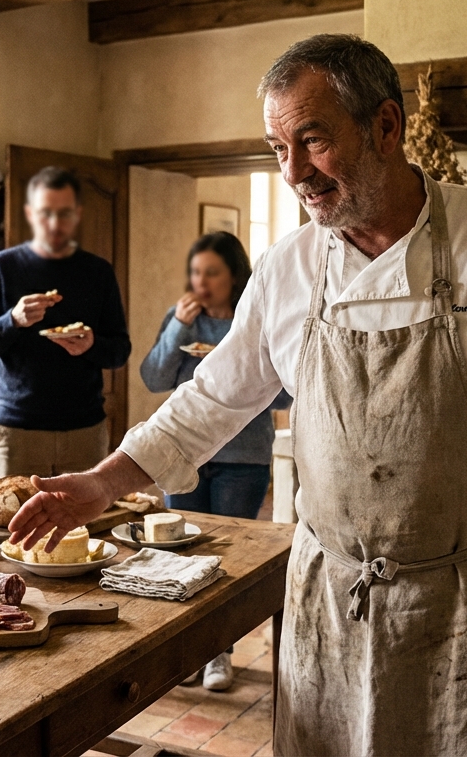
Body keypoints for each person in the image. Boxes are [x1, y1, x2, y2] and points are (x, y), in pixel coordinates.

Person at [7, 34, 467, 756]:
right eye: (279, 148)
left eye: (312, 140)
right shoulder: (288, 268)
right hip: (329, 604)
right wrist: (102, 483)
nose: (295, 172)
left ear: (385, 127)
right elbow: (210, 400)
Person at [139, 231, 292, 691]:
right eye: (195, 272)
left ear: (234, 276)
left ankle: (220, 654)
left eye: (211, 273)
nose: (200, 283)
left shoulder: (255, 318)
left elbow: (283, 391)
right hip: (184, 458)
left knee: (225, 559)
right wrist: (177, 329)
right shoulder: (182, 319)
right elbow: (153, 378)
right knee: (180, 555)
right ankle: (187, 650)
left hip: (242, 459)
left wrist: (239, 381)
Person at [0, 166, 130, 480]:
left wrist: (92, 344)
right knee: (16, 529)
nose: (55, 224)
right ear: (29, 213)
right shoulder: (0, 267)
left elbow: (120, 351)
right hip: (17, 432)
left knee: (87, 530)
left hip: (85, 431)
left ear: (77, 213)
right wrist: (12, 320)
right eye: (46, 213)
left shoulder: (98, 272)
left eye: (64, 213)